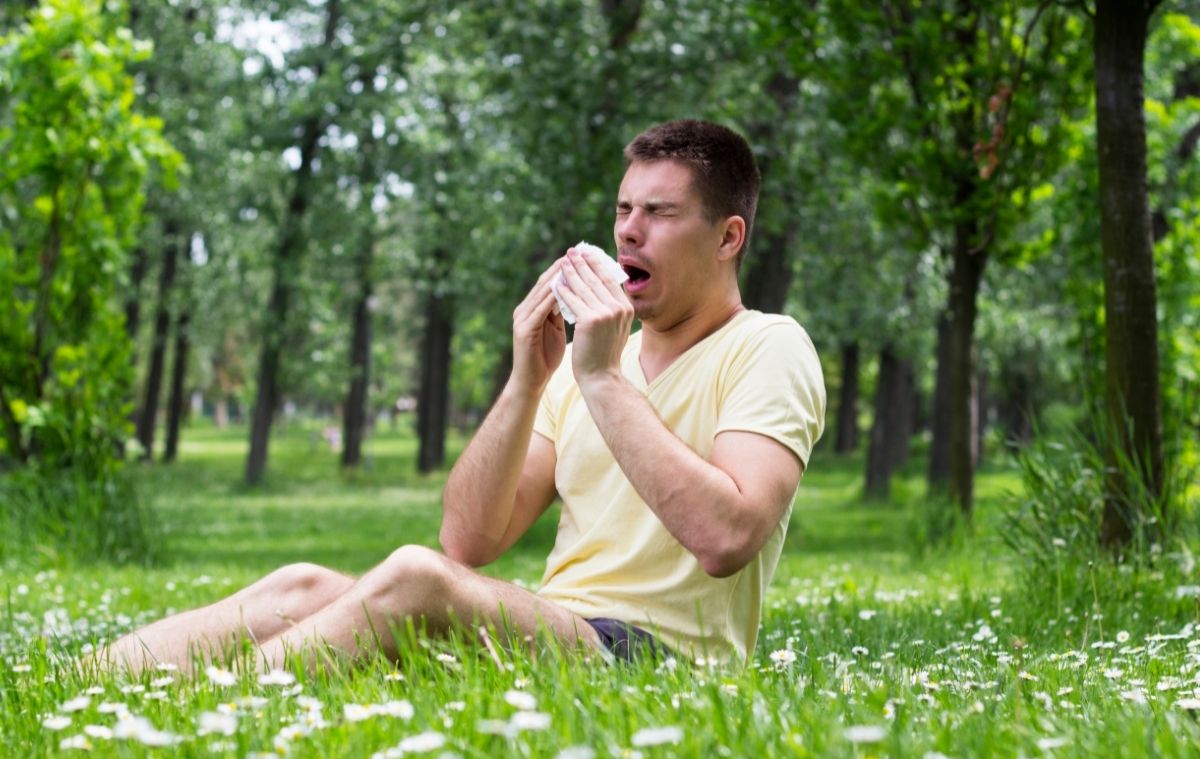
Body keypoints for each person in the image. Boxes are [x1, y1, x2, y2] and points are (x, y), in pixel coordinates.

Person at [100, 119, 825, 672]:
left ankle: (215, 716)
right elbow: (470, 541)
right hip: (560, 627)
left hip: (655, 658)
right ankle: (77, 680)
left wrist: (601, 379)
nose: (629, 231)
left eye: (660, 214)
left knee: (416, 578)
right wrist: (528, 378)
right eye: (622, 209)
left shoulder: (768, 347)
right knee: (301, 585)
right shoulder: (589, 363)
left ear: (728, 237)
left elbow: (727, 538)